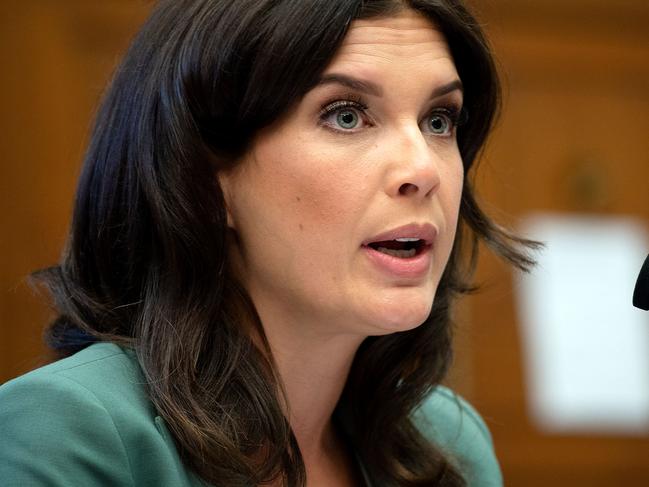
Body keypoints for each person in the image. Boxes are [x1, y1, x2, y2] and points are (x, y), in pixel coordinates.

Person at [0, 0, 537, 485]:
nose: (424, 168)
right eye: (346, 115)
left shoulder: (449, 448)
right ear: (207, 175)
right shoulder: (67, 434)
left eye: (438, 120)